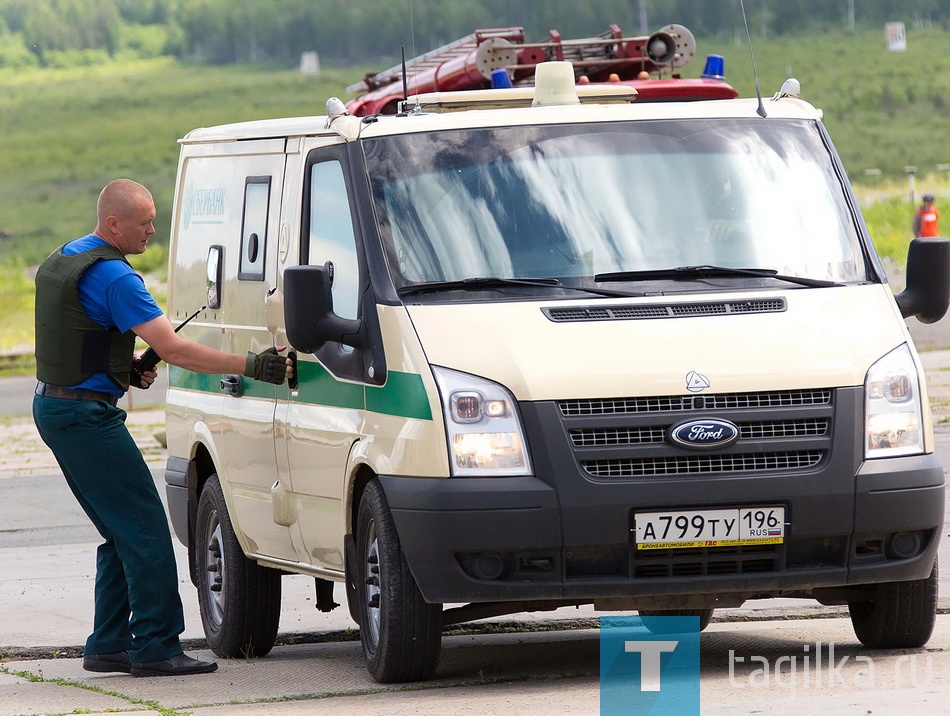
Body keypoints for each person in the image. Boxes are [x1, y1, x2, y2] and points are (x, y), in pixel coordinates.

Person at [32, 179, 293, 677]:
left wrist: (121, 365)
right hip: (85, 418)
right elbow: (174, 350)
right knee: (147, 527)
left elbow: (73, 335)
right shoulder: (116, 278)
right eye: (145, 221)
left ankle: (109, 643)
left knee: (118, 528)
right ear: (114, 224)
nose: (153, 229)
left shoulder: (65, 256)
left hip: (56, 406)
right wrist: (252, 364)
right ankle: (156, 645)